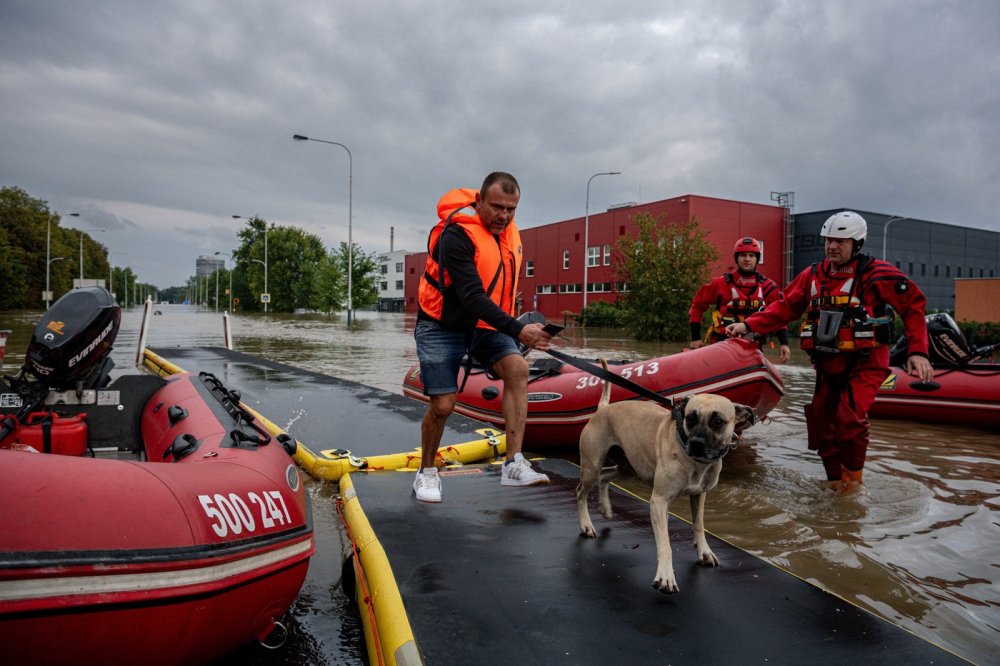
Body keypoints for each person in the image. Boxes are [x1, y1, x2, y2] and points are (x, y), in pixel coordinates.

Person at [726, 212, 934, 492]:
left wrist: (918, 351)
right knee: (824, 429)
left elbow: (913, 306)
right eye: (828, 240)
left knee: (849, 421)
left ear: (857, 243)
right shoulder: (813, 275)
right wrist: (749, 324)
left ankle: (854, 487)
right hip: (827, 365)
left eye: (840, 241)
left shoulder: (876, 274)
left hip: (865, 362)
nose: (832, 246)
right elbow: (785, 308)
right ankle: (835, 484)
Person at [412, 172, 553, 503]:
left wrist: (521, 331)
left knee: (517, 369)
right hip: (441, 324)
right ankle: (427, 471)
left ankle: (513, 464)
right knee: (444, 405)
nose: (504, 216)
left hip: (484, 325)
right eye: (497, 207)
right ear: (478, 202)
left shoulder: (506, 234)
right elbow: (472, 296)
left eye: (511, 209)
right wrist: (519, 329)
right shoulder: (456, 237)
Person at [688, 237, 792, 364]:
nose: (747, 259)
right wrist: (696, 338)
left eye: (751, 255)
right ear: (736, 258)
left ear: (757, 258)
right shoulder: (720, 284)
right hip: (721, 346)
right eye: (743, 255)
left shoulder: (768, 287)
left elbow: (778, 316)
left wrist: (784, 343)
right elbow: (697, 305)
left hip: (753, 347)